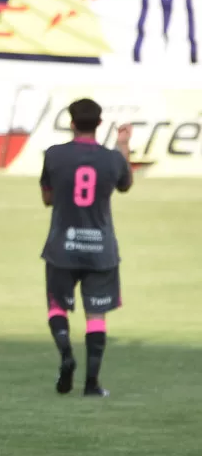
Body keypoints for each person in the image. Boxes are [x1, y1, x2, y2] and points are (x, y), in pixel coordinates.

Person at [39, 98, 133, 397]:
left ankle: (66, 352)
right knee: (96, 315)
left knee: (57, 306)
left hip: (62, 246)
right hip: (100, 248)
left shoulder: (54, 155)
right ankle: (92, 384)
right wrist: (122, 144)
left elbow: (47, 198)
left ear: (71, 122)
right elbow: (125, 184)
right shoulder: (111, 159)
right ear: (99, 124)